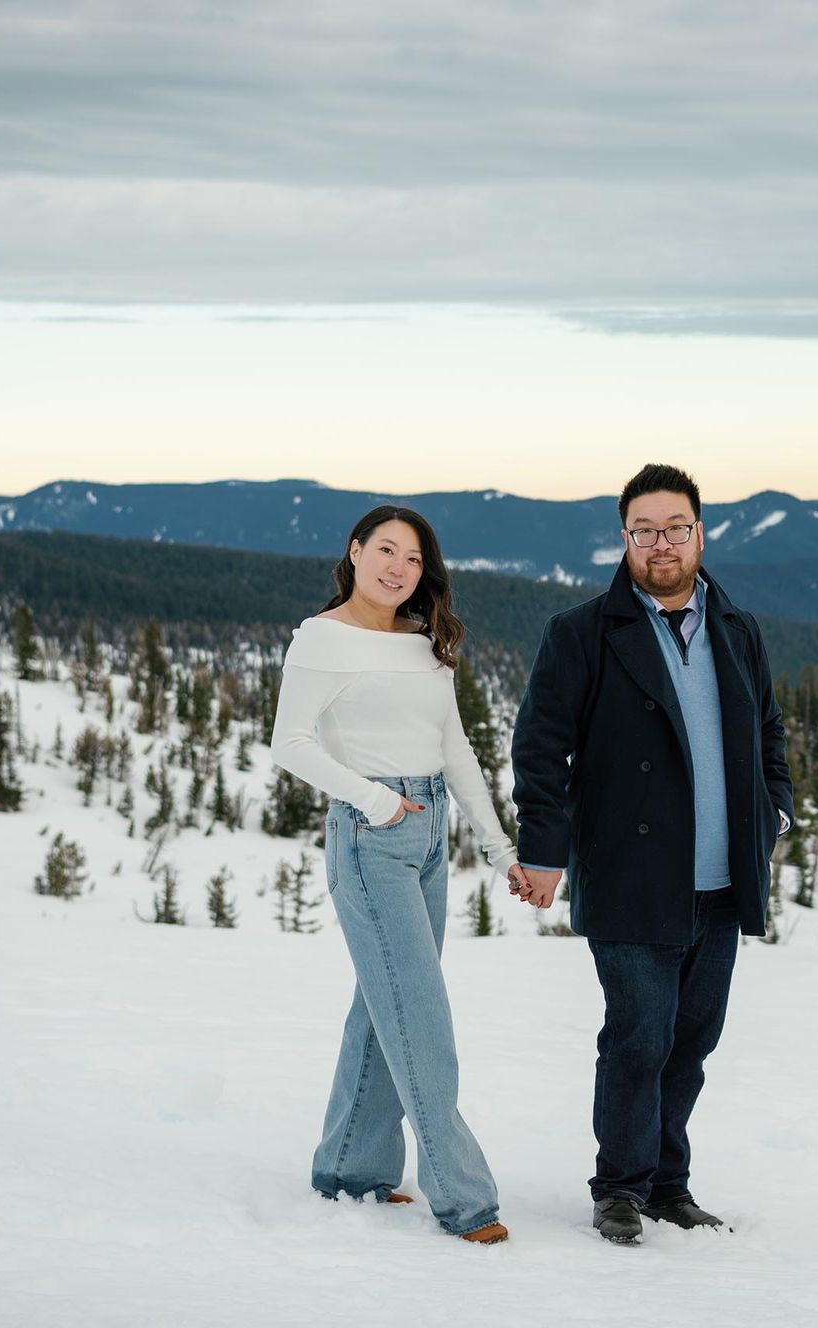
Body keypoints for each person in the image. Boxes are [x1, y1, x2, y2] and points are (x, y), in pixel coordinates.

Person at [510, 462, 794, 1245]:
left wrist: (778, 811)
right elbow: (540, 748)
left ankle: (669, 1184)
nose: (661, 544)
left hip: (722, 879)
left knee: (693, 1042)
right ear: (624, 538)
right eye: (645, 531)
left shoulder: (737, 629)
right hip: (631, 875)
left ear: (700, 533)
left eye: (676, 528)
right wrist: (544, 850)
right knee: (639, 1037)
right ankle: (620, 1189)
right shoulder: (582, 632)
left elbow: (769, 730)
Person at [270, 504, 524, 1246]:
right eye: (385, 550)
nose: (397, 568)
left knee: (386, 1007)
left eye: (413, 559)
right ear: (354, 551)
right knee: (420, 1014)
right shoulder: (321, 639)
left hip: (428, 832)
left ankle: (351, 1167)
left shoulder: (422, 642)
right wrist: (378, 801)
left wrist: (498, 846)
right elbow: (290, 742)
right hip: (370, 833)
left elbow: (456, 749)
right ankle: (466, 1200)